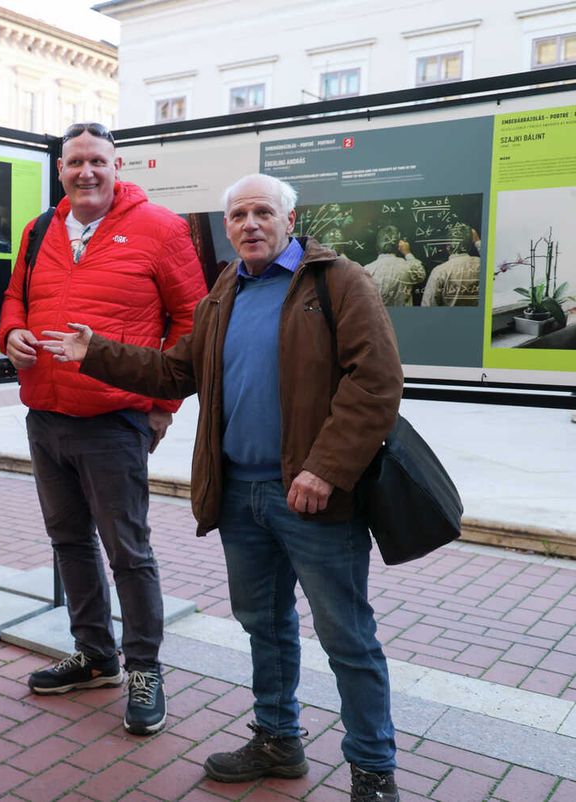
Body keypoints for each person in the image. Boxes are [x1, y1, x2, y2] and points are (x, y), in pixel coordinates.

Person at [40, 173, 403, 802]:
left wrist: (326, 468)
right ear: (227, 226)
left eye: (263, 212)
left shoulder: (336, 282)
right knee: (264, 625)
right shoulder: (225, 291)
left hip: (313, 497)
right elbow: (177, 369)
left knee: (347, 637)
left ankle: (372, 769)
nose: (250, 224)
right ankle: (277, 740)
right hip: (241, 495)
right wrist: (96, 350)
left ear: (291, 219)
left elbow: (375, 383)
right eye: (237, 215)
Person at [0, 121, 206, 736]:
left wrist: (162, 407)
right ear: (60, 169)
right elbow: (14, 297)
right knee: (69, 544)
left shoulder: (162, 229)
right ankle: (94, 654)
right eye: (74, 163)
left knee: (128, 552)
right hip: (46, 414)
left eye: (97, 162)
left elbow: (193, 323)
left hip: (116, 419)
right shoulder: (39, 230)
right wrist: (10, 333)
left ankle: (143, 669)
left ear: (120, 167)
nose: (85, 172)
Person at [362, 226, 424, 307]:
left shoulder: (367, 270)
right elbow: (421, 275)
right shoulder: (408, 267)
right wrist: (407, 253)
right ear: (398, 246)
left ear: (377, 246)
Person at [422, 225, 481, 307]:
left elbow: (428, 306)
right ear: (470, 245)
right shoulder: (481, 263)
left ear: (447, 247)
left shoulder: (440, 271)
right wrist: (477, 241)